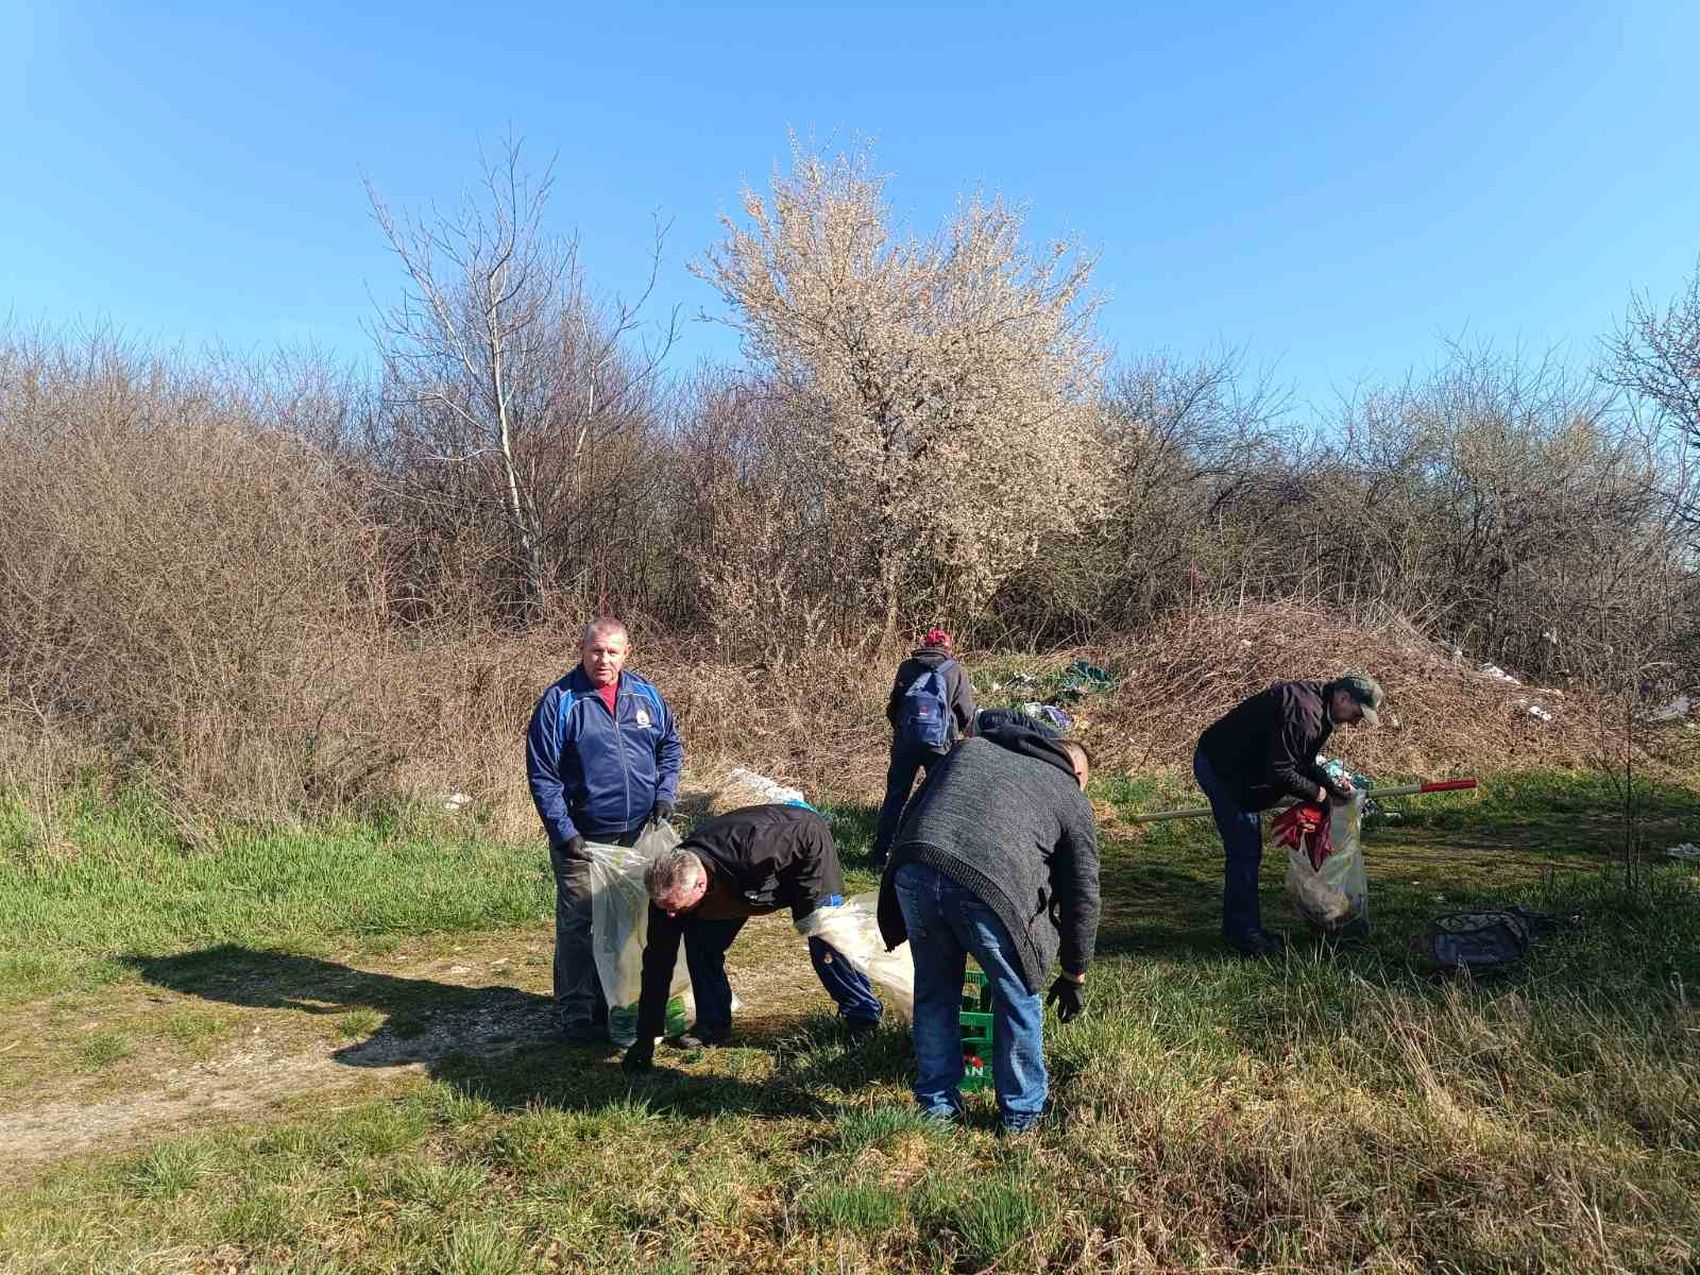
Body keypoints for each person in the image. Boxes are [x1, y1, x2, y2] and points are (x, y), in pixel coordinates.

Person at [876, 716, 1099, 1134]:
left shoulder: (971, 750)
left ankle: (937, 1108)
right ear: (1079, 774)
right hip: (986, 890)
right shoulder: (1069, 793)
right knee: (1018, 997)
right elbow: (1083, 893)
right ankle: (1022, 1116)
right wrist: (1075, 973)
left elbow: (912, 812)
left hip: (917, 869)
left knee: (935, 993)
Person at [621, 804, 882, 1070]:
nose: (671, 915)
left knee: (826, 943)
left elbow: (810, 832)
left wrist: (810, 907)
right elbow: (657, 964)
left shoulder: (755, 847)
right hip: (742, 888)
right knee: (701, 946)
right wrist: (646, 1038)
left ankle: (863, 1019)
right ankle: (712, 1024)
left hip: (806, 855)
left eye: (678, 908)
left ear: (700, 884)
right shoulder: (668, 892)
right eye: (666, 908)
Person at [526, 617, 684, 1044]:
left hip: (638, 834)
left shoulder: (646, 695)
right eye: (596, 650)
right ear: (582, 650)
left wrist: (665, 793)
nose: (604, 659)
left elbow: (670, 746)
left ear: (626, 653)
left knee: (633, 920)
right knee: (579, 924)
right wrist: (564, 832)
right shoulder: (560, 701)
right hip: (582, 839)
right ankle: (577, 1013)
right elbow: (543, 776)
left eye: (613, 652)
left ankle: (621, 1000)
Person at [1193, 673, 1385, 957]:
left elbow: (1304, 761)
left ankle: (1244, 927)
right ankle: (1243, 934)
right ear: (1344, 698)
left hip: (1244, 768)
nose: (1356, 723)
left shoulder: (1322, 709)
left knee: (1247, 850)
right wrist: (1319, 795)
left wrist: (1331, 788)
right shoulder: (1305, 714)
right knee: (1245, 852)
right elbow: (1281, 771)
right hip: (1221, 767)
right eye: (1358, 714)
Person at [872, 628, 977, 866]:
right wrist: (955, 736)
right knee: (938, 799)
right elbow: (965, 714)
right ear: (948, 647)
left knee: (895, 797)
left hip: (905, 743)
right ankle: (931, 858)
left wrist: (902, 731)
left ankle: (881, 854)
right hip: (939, 746)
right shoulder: (956, 671)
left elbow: (894, 706)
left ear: (924, 645)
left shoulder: (907, 667)